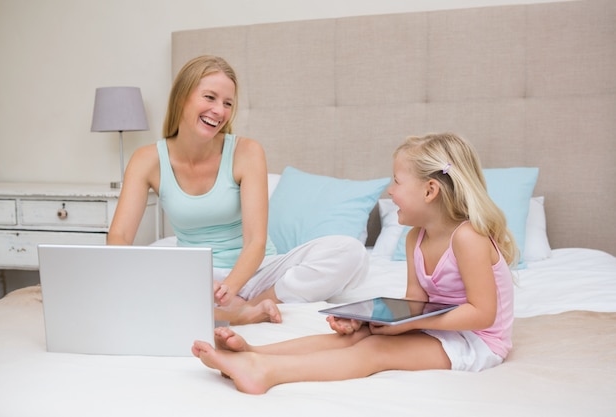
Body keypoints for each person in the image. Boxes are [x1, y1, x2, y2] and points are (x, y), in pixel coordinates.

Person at [191, 132, 519, 394]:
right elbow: (416, 304)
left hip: (477, 340)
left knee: (377, 350)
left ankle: (265, 373)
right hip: (439, 327)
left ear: (430, 190)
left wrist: (403, 327)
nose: (389, 191)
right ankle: (254, 353)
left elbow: (482, 313)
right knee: (353, 338)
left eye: (396, 181)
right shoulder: (414, 238)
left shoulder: (468, 238)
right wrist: (371, 320)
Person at [107, 55, 368, 326]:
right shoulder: (146, 159)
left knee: (349, 251)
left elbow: (255, 241)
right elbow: (119, 236)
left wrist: (228, 289)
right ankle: (230, 312)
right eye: (209, 97)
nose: (219, 111)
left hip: (257, 273)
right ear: (182, 97)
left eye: (227, 103)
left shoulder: (247, 152)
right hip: (194, 274)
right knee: (147, 260)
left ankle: (246, 310)